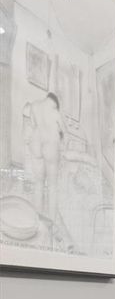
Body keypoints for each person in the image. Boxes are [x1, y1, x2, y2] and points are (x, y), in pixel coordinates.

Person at [28, 92, 63, 223]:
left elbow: (33, 124)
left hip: (36, 143)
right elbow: (64, 132)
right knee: (53, 186)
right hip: (50, 146)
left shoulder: (34, 105)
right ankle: (52, 221)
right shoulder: (55, 112)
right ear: (55, 103)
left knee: (39, 183)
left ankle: (37, 217)